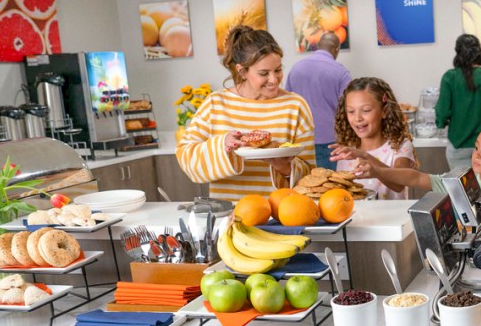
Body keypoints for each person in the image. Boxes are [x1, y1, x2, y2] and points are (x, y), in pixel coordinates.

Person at [176, 26, 314, 201]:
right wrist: (221, 145)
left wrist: (286, 168)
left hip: (282, 214)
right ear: (242, 71)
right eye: (264, 73)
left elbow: (311, 175)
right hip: (228, 215)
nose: (274, 80)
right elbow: (185, 156)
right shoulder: (215, 104)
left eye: (278, 70)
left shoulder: (295, 106)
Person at [333, 118, 481, 198]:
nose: (476, 154)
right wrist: (376, 171)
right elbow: (416, 178)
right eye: (476, 148)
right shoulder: (460, 183)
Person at [331, 77, 417, 200]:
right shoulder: (347, 149)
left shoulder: (400, 145)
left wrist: (365, 156)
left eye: (366, 110)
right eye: (350, 111)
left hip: (393, 218)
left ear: (384, 111)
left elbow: (399, 185)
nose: (357, 118)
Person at [283, 31, 351, 171]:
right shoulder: (341, 73)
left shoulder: (296, 68)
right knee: (329, 187)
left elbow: (286, 102)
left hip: (299, 139)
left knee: (303, 186)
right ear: (337, 49)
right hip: (330, 140)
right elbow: (348, 109)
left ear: (318, 45)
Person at [436, 34, 481, 171]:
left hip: (459, 145)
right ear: (479, 51)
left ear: (458, 53)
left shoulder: (450, 77)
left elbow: (442, 113)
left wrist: (441, 123)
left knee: (462, 190)